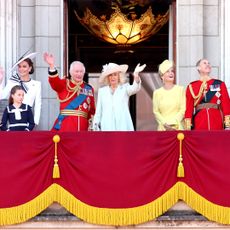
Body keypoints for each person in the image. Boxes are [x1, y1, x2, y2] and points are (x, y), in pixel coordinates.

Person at [43, 52, 95, 131]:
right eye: (76, 71)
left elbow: (92, 110)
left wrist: (91, 125)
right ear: (70, 72)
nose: (79, 74)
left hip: (83, 126)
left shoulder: (89, 88)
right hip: (66, 125)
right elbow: (54, 82)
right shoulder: (64, 83)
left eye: (81, 72)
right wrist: (51, 66)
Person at [93, 62, 146, 131]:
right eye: (110, 75)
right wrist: (95, 125)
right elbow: (98, 111)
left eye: (115, 75)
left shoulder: (124, 88)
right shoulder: (102, 91)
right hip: (107, 126)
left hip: (123, 125)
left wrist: (136, 75)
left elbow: (135, 88)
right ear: (107, 77)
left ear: (119, 76)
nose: (112, 77)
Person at [184, 58, 230, 130]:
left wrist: (227, 124)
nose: (208, 64)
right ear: (198, 68)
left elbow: (226, 104)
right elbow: (189, 108)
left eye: (209, 63)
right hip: (199, 121)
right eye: (204, 63)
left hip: (216, 120)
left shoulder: (219, 84)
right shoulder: (192, 86)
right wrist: (188, 127)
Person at [0, 53, 42, 126]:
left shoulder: (37, 84)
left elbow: (38, 104)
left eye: (24, 66)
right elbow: (2, 96)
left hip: (28, 118)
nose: (21, 69)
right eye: (19, 66)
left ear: (30, 68)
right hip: (13, 118)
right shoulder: (12, 81)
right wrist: (0, 81)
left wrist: (35, 122)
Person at [152, 60, 185, 131]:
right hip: (163, 129)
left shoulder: (180, 90)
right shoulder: (157, 93)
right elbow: (156, 112)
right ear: (162, 76)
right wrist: (165, 124)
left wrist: (173, 123)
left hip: (178, 128)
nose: (171, 73)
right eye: (167, 71)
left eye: (172, 71)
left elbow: (183, 109)